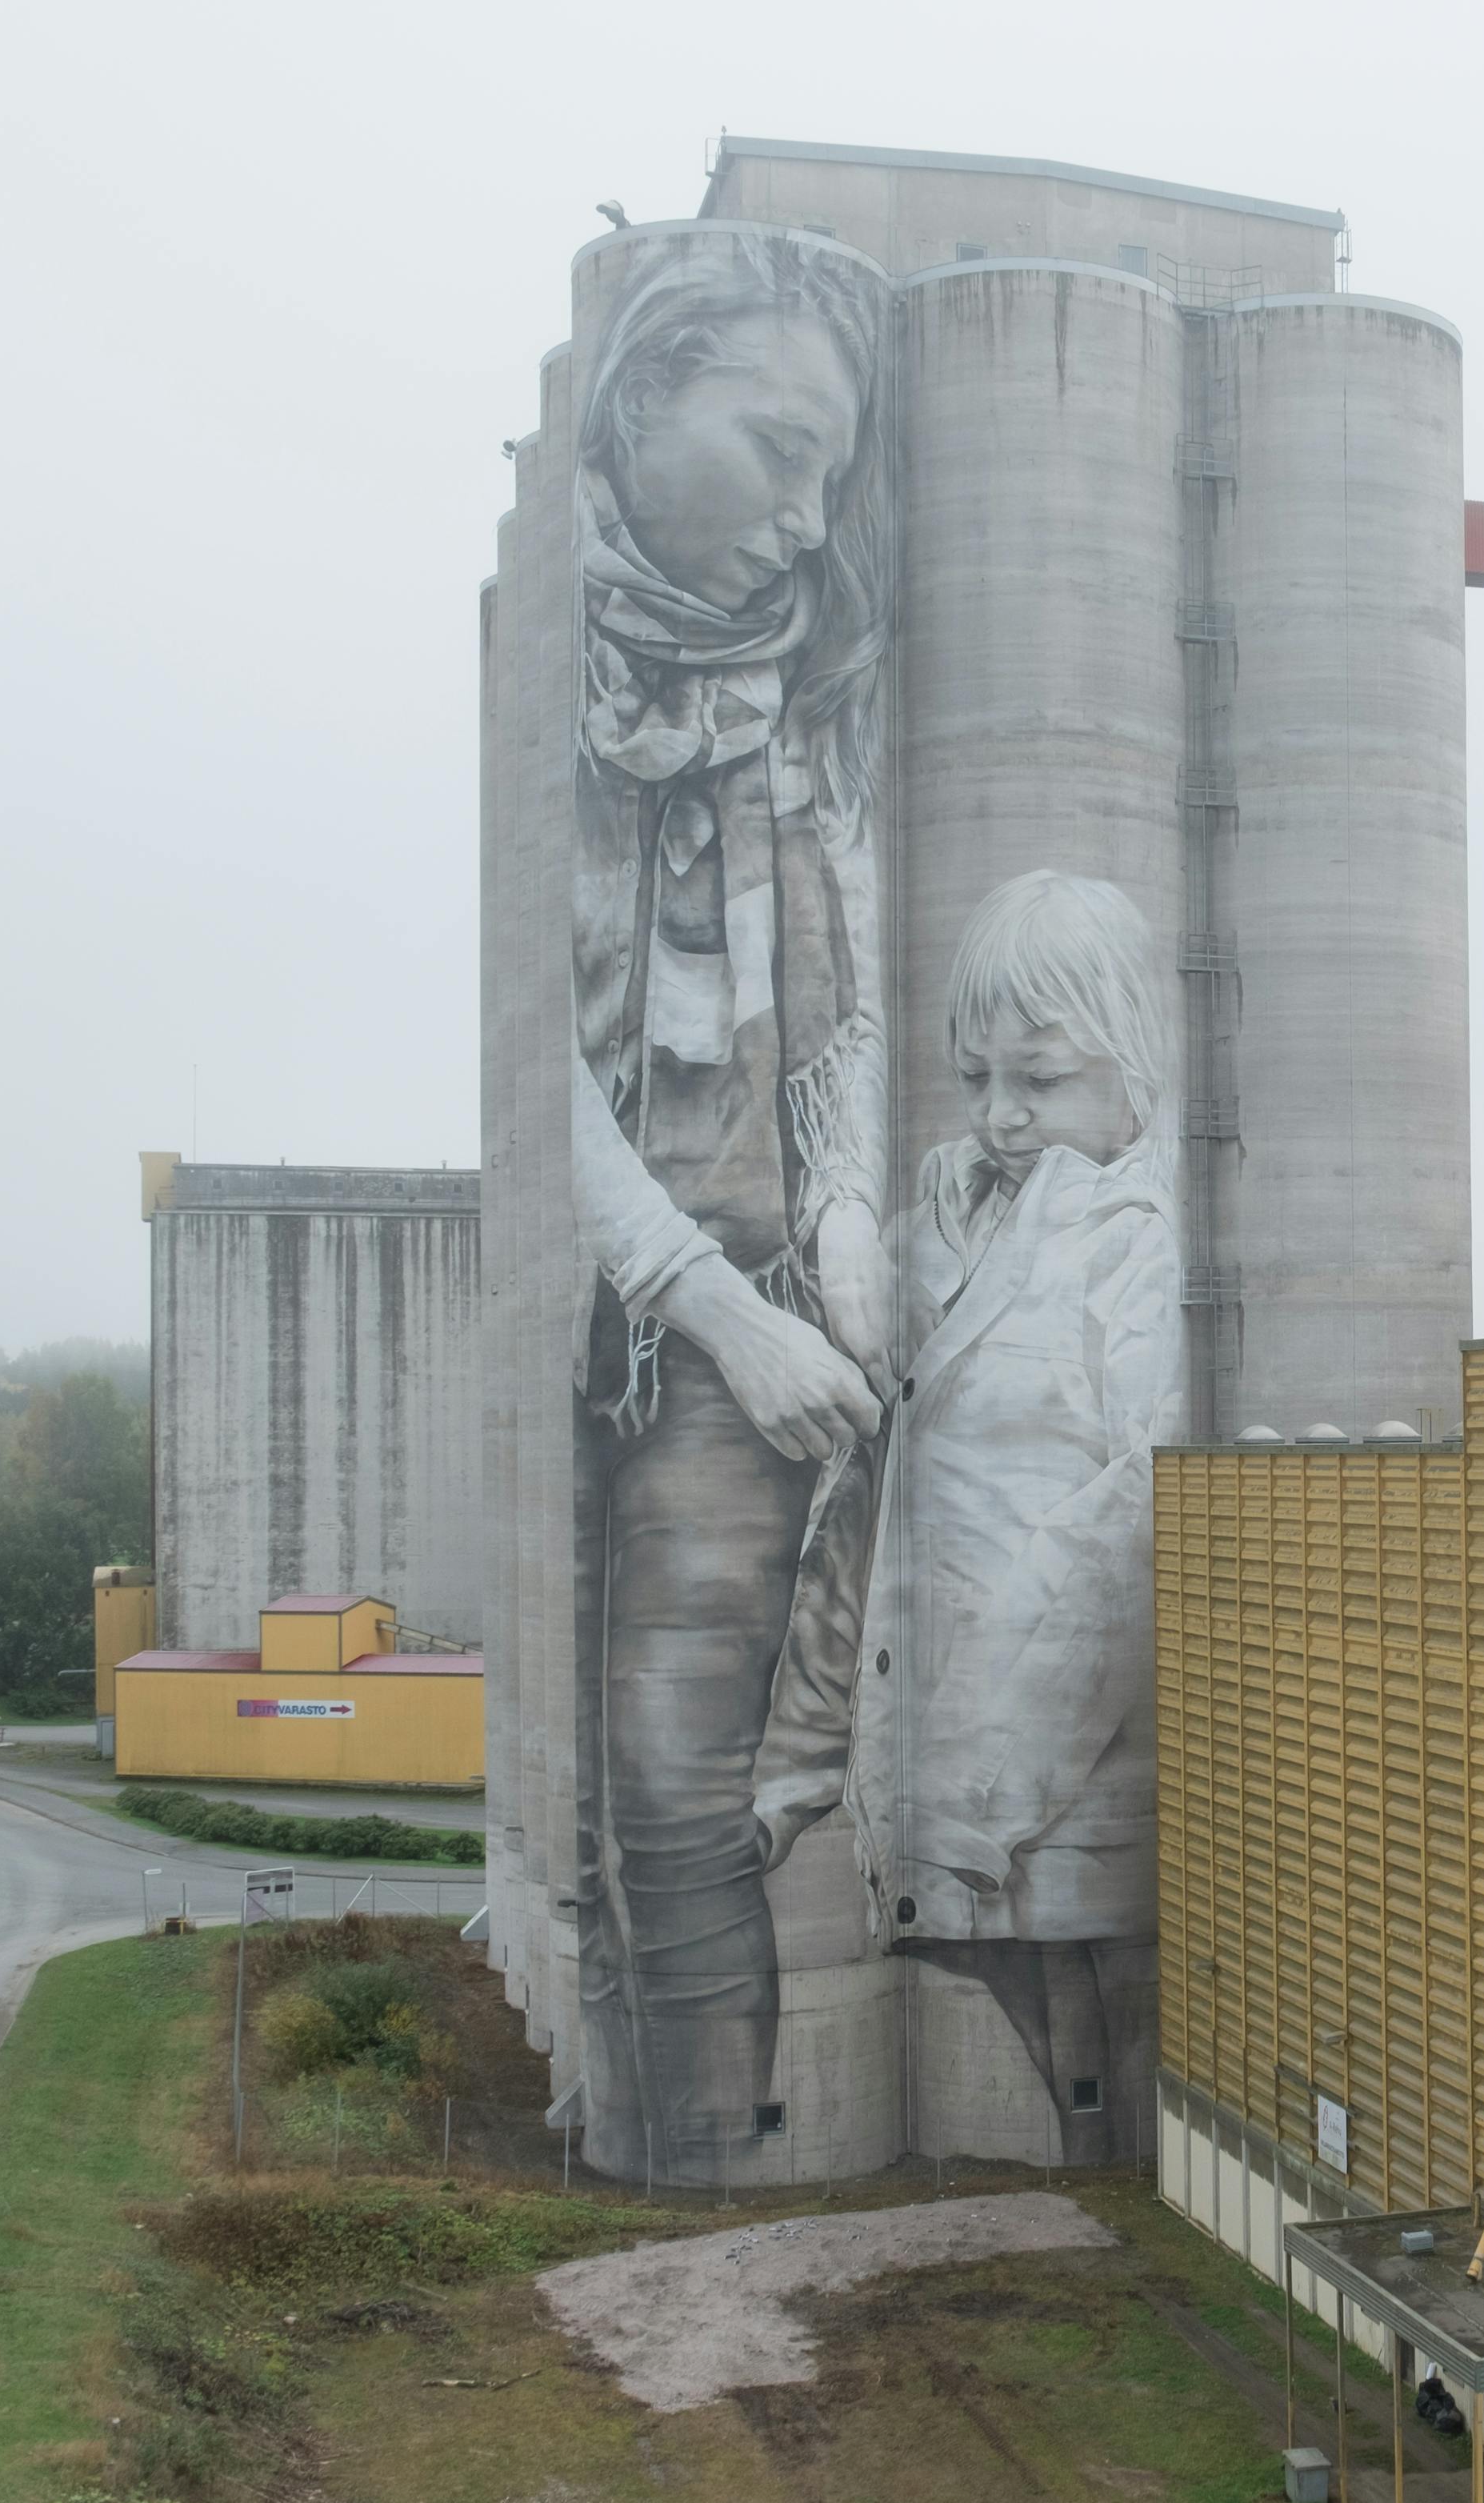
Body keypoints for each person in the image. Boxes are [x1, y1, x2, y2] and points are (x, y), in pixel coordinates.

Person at [563, 228, 897, 2189]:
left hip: (803, 1303)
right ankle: (710, 2162)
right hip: (661, 1341)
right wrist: (719, 1309)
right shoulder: (570, 695)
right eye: (776, 451)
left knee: (830, 1777)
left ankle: (775, 2134)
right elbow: (552, 1087)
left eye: (836, 479)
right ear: (638, 394)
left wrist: (845, 1221)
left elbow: (837, 1015)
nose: (804, 519)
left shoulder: (808, 695)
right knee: (673, 1796)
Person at [849, 871, 1186, 2163]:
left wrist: (978, 1788)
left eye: (1039, 1082)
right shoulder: (944, 1221)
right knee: (1048, 2040)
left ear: (1131, 1077)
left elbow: (1128, 1526)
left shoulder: (1134, 1251)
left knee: (1102, 2032)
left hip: (1059, 1774)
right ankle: (1109, 2195)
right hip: (950, 1754)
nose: (1000, 1115)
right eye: (977, 1077)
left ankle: (1140, 2206)